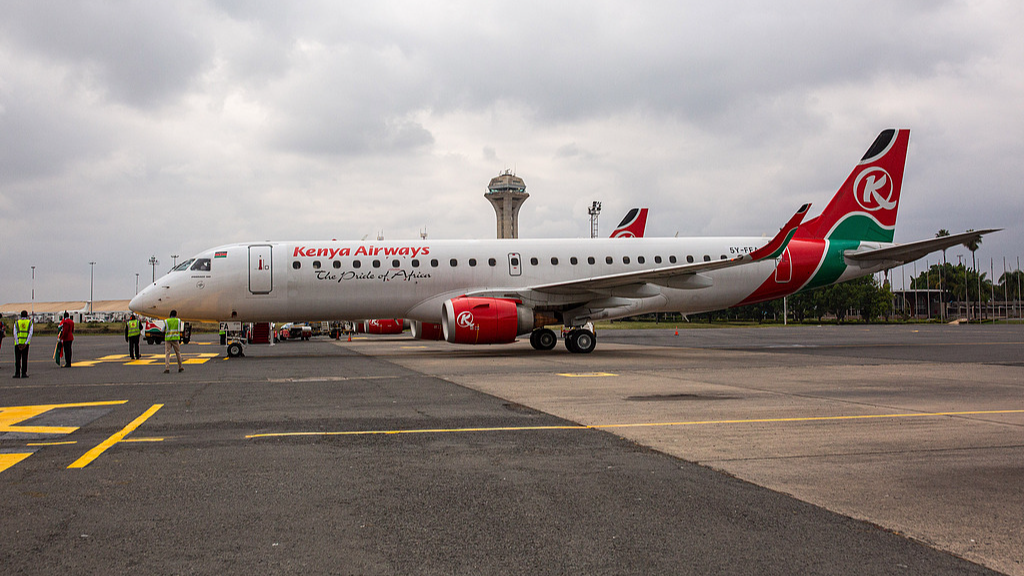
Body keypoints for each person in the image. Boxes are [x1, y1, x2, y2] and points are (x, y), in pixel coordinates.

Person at [13, 310, 32, 378]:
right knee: (24, 358)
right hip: (25, 343)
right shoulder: (29, 322)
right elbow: (30, 333)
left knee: (17, 359)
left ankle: (17, 373)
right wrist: (26, 342)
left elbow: (15, 333)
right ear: (27, 315)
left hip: (18, 343)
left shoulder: (17, 322)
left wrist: (17, 343)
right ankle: (24, 373)